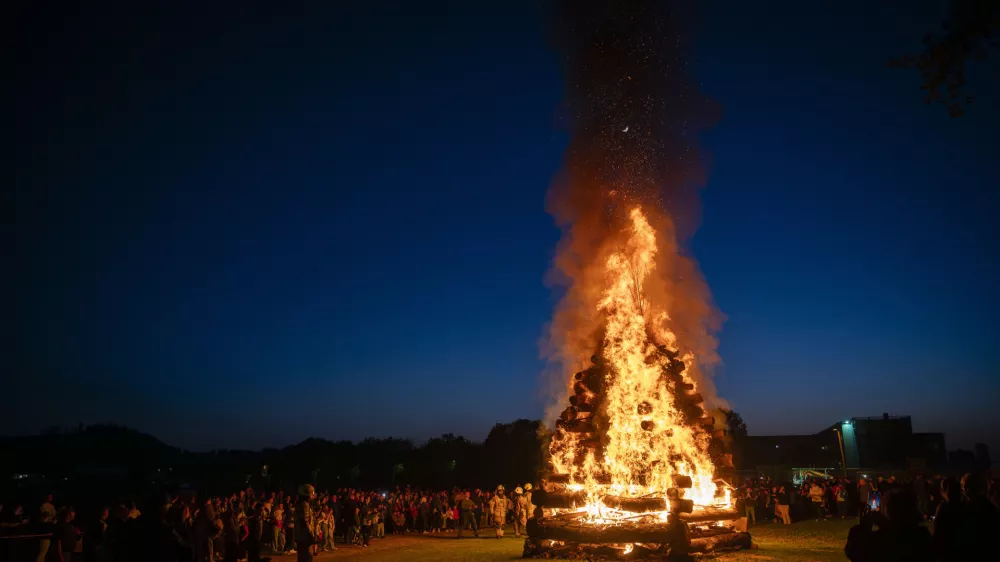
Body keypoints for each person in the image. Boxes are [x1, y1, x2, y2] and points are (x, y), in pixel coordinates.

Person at [845, 489, 932, 562]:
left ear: (891, 510)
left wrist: (865, 525)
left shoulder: (882, 539)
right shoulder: (922, 536)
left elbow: (854, 552)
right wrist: (885, 525)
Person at [293, 485, 316, 562]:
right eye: (311, 493)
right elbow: (305, 522)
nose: (313, 495)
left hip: (301, 536)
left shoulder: (300, 504)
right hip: (305, 537)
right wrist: (310, 536)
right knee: (307, 557)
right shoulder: (304, 505)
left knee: (302, 557)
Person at [36, 494, 57, 562]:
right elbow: (44, 519)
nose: (51, 497)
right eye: (50, 496)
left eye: (52, 496)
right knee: (43, 551)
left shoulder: (52, 506)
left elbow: (54, 517)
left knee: (45, 552)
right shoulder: (42, 506)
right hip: (45, 530)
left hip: (50, 529)